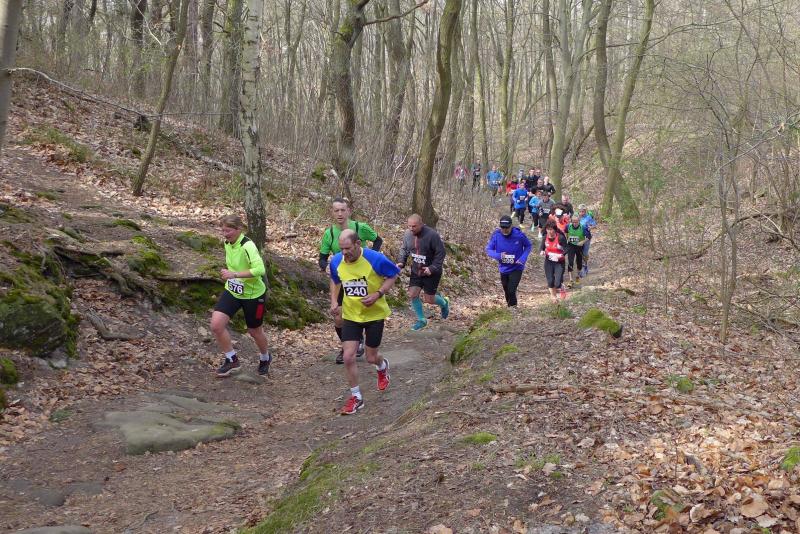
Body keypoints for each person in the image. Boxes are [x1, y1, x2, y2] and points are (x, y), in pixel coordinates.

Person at [329, 230, 400, 414]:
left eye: (348, 248)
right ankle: (356, 398)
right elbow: (335, 280)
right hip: (351, 315)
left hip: (374, 315)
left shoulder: (375, 259)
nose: (344, 253)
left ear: (358, 243)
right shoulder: (336, 261)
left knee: (370, 357)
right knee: (348, 356)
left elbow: (393, 274)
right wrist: (334, 301)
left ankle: (382, 366)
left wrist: (378, 294)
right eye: (341, 249)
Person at [319, 198, 384, 364]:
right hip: (342, 280)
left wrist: (371, 258)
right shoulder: (329, 233)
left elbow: (378, 240)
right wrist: (326, 267)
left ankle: (361, 343)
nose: (340, 213)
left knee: (363, 312)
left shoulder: (360, 227)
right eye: (336, 210)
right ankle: (349, 346)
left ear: (349, 211)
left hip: (363, 279)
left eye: (343, 210)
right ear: (332, 212)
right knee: (338, 317)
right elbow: (322, 258)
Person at [211, 214, 273, 377]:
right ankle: (232, 360)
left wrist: (235, 274)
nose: (225, 234)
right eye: (223, 230)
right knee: (216, 325)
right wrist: (230, 275)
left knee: (254, 331)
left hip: (253, 294)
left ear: (239, 229)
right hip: (233, 290)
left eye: (228, 231)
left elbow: (260, 270)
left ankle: (265, 357)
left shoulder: (248, 245)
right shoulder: (227, 243)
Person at [397, 214, 449, 331]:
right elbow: (404, 249)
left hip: (431, 272)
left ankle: (444, 303)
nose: (411, 229)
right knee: (412, 294)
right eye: (409, 226)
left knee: (428, 299)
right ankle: (422, 320)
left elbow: (441, 252)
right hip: (417, 270)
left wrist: (432, 268)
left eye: (414, 226)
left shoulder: (432, 235)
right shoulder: (407, 234)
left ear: (421, 224)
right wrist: (401, 262)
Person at [486, 215, 532, 307]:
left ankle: (513, 308)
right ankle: (509, 307)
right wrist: (498, 255)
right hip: (503, 268)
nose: (504, 230)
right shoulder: (496, 236)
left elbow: (528, 246)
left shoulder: (519, 235)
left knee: (511, 289)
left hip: (517, 267)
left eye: (506, 227)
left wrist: (523, 258)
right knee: (506, 290)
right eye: (502, 227)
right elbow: (488, 250)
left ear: (511, 226)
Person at [539, 221, 568, 303]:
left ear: (555, 230)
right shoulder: (545, 237)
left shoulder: (560, 238)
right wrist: (542, 251)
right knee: (550, 281)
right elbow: (541, 247)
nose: (549, 231)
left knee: (557, 283)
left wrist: (561, 255)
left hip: (559, 262)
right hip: (549, 261)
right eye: (548, 229)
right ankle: (554, 297)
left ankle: (561, 287)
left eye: (551, 229)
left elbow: (567, 248)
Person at [565, 214, 591, 287]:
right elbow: (565, 231)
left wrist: (582, 242)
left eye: (576, 222)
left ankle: (577, 277)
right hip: (571, 245)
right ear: (571, 221)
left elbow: (589, 236)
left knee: (579, 262)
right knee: (570, 261)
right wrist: (567, 238)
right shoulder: (568, 226)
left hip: (579, 246)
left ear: (579, 221)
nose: (575, 223)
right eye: (573, 221)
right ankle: (570, 280)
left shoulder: (583, 227)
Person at [578, 204, 597, 277]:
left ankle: (584, 267)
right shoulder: (576, 217)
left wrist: (590, 227)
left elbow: (594, 225)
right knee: (579, 253)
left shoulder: (588, 217)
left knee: (585, 253)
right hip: (578, 237)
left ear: (585, 211)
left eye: (583, 211)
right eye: (580, 211)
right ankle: (580, 268)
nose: (581, 213)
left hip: (586, 238)